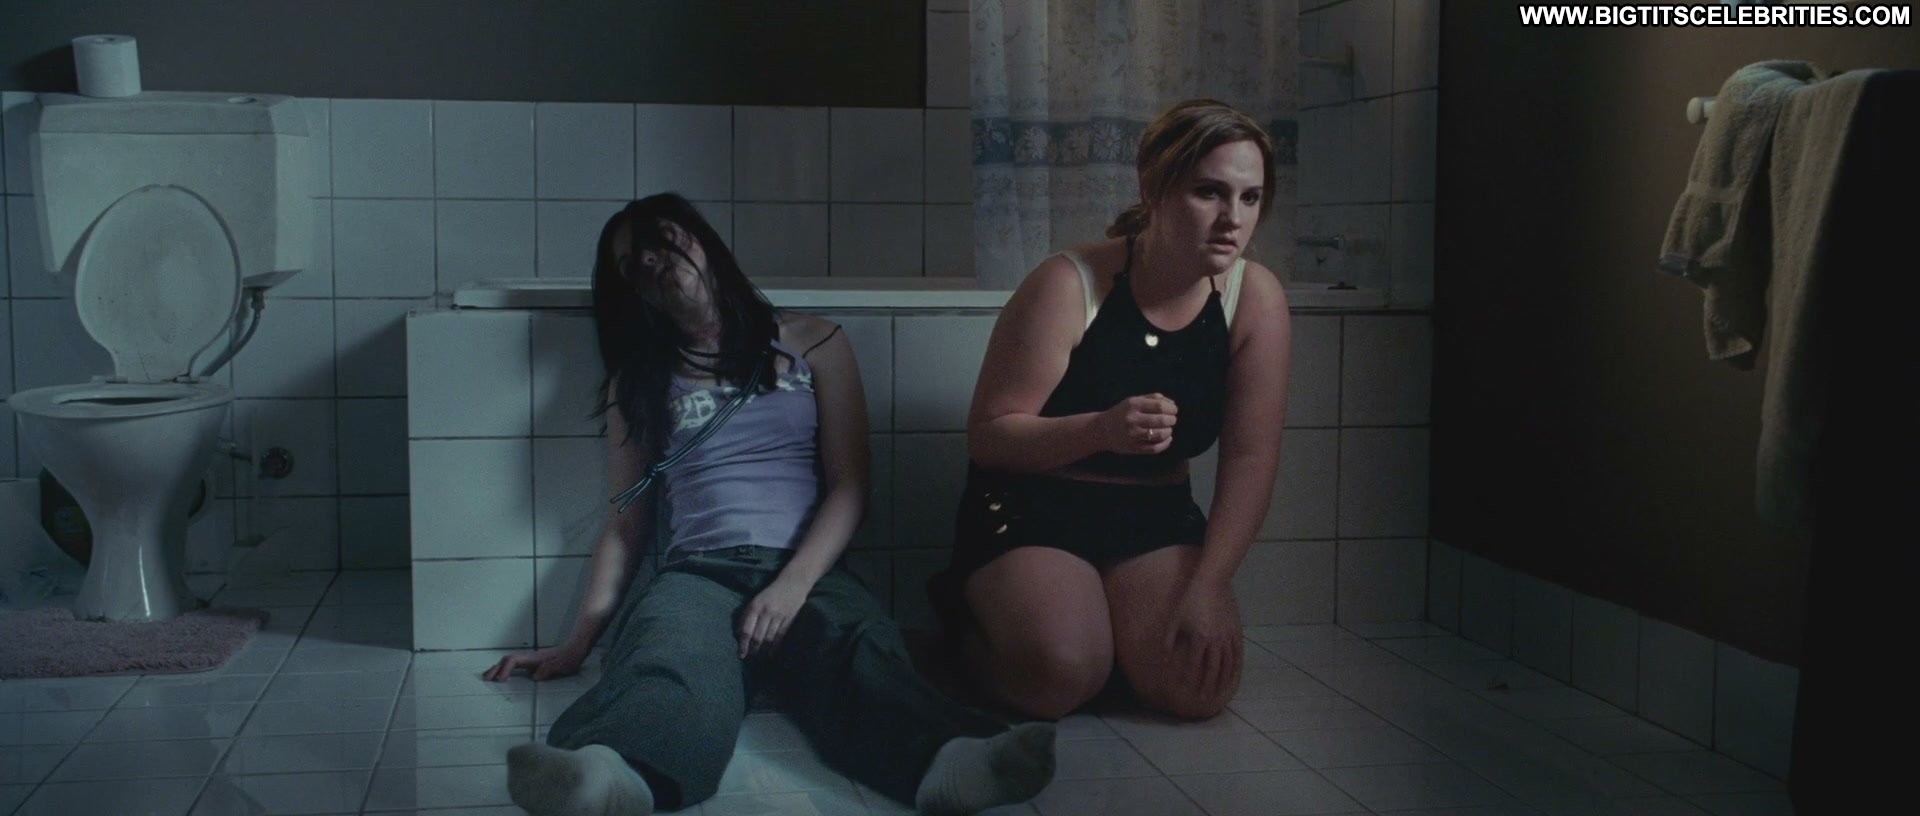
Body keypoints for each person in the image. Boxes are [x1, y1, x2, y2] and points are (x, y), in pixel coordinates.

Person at [483, 193, 1056, 816]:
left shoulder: (813, 341)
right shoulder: (639, 380)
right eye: (631, 264)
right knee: (667, 652)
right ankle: (612, 776)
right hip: (698, 573)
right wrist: (575, 645)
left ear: (702, 240)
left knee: (859, 645)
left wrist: (792, 585)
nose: (649, 260)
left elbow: (850, 485)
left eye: (659, 239)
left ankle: (950, 763)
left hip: (806, 567)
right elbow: (626, 525)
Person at [927, 99, 1294, 722]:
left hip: (1155, 515)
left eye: (1251, 198)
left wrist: (1209, 584)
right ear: (1154, 187)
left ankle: (1107, 636)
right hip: (1036, 507)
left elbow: (1252, 457)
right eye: (1209, 192)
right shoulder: (1069, 283)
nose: (1233, 219)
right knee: (1060, 672)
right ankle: (974, 637)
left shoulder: (1253, 297)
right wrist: (1100, 429)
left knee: (1198, 689)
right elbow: (988, 437)